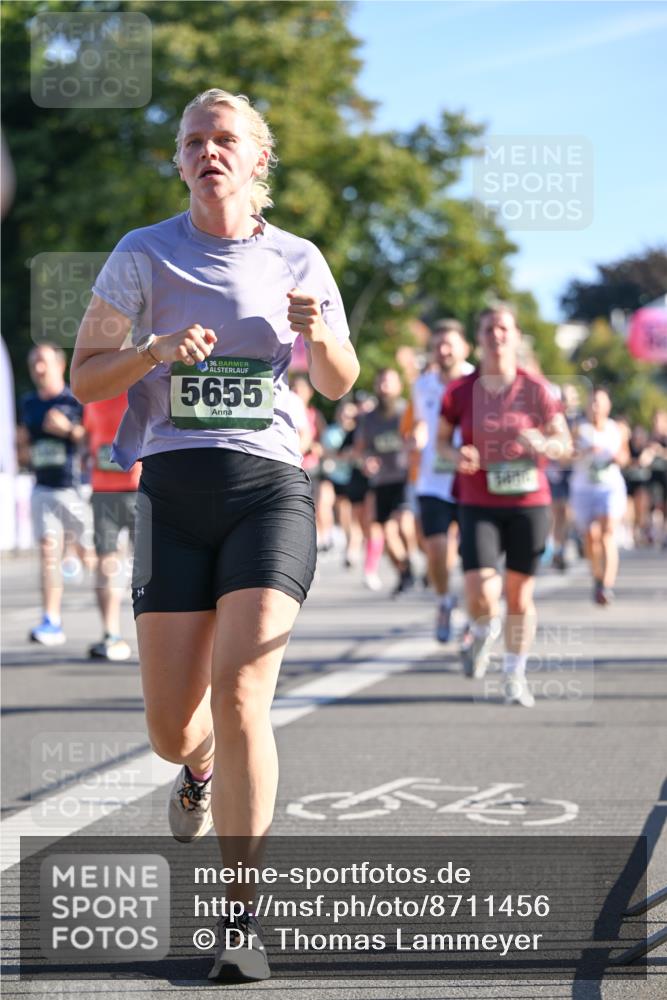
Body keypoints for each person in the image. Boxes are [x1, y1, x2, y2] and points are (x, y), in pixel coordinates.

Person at [70, 88, 359, 982]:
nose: (209, 152)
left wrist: (320, 340)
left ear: (257, 159)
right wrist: (153, 352)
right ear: (182, 160)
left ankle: (241, 918)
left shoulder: (298, 258)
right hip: (171, 496)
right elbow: (86, 378)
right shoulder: (141, 253)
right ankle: (193, 769)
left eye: (225, 139)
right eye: (195, 140)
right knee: (172, 727)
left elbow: (342, 382)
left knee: (241, 698)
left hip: (268, 490)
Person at [438, 304, 571, 707]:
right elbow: (441, 443)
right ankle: (481, 632)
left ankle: (514, 673)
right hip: (478, 499)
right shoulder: (460, 390)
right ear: (478, 339)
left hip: (529, 501)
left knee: (519, 595)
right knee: (479, 589)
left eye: (503, 328)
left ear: (515, 336)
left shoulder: (537, 389)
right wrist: (456, 455)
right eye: (488, 329)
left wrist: (543, 443)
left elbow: (564, 445)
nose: (496, 335)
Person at [17, 343, 93, 645]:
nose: (38, 368)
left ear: (60, 366)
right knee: (48, 550)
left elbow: (93, 439)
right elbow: (24, 445)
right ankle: (51, 621)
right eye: (34, 362)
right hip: (43, 486)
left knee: (91, 557)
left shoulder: (76, 399)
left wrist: (68, 431)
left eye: (43, 362)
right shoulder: (28, 402)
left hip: (73, 487)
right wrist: (21, 447)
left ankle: (121, 609)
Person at [410, 319, 473, 641]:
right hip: (433, 480)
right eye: (437, 345)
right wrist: (418, 437)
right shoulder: (422, 385)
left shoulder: (477, 382)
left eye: (449, 344)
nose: (443, 351)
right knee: (435, 550)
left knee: (473, 556)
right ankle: (444, 601)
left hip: (471, 481)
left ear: (465, 348)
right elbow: (422, 423)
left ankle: (475, 615)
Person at [83, 393, 141, 660]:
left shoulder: (139, 387)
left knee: (148, 566)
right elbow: (88, 437)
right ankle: (110, 634)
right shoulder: (95, 393)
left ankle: (153, 635)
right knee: (107, 561)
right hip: (105, 490)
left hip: (140, 489)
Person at [355, 368, 418, 595]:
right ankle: (405, 570)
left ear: (398, 386)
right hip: (382, 481)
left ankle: (413, 557)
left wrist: (414, 446)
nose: (384, 387)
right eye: (380, 382)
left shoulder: (406, 412)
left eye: (389, 382)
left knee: (403, 522)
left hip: (404, 477)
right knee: (387, 532)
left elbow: (421, 437)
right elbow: (360, 450)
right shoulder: (368, 419)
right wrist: (367, 460)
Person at [569, 388, 629, 605]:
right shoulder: (579, 429)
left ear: (608, 406)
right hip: (583, 488)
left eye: (599, 402)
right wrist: (583, 453)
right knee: (590, 537)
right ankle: (597, 577)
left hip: (609, 487)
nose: (595, 407)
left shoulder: (617, 429)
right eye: (592, 402)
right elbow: (567, 456)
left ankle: (607, 585)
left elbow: (625, 456)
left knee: (607, 534)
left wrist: (615, 457)